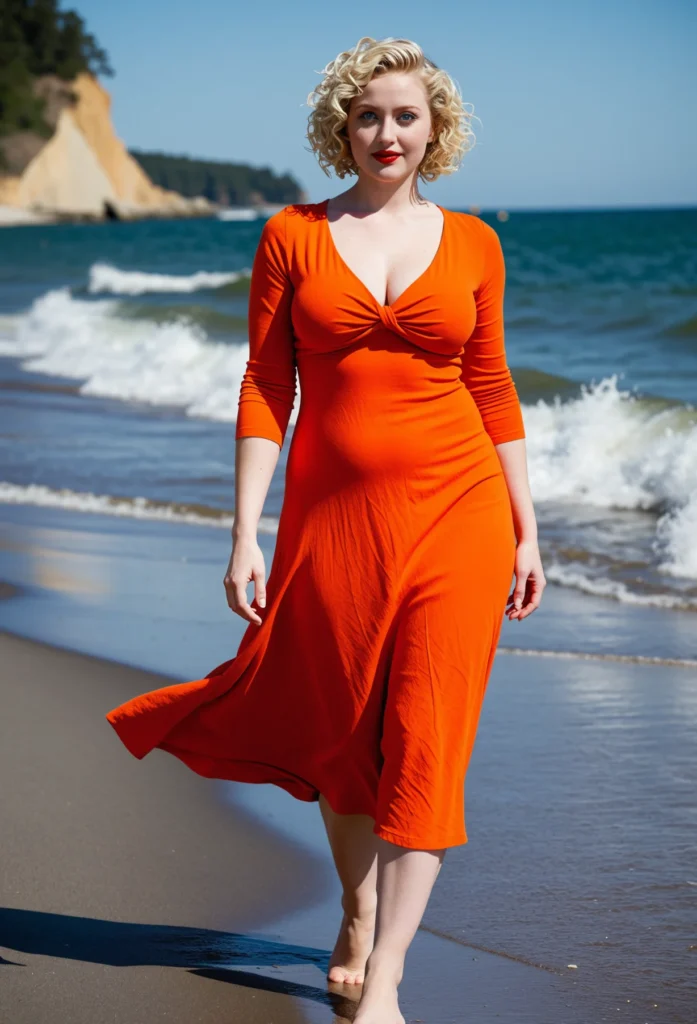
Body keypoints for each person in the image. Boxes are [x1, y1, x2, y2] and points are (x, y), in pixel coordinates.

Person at [106, 35, 545, 1024]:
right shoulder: (292, 235)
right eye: (367, 115)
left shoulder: (475, 244)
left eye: (405, 116)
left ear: (435, 129)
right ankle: (357, 906)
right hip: (332, 521)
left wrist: (527, 529)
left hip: (462, 514)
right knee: (347, 737)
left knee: (427, 742)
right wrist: (243, 531)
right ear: (339, 127)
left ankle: (385, 978)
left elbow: (491, 385)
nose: (386, 133)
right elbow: (266, 385)